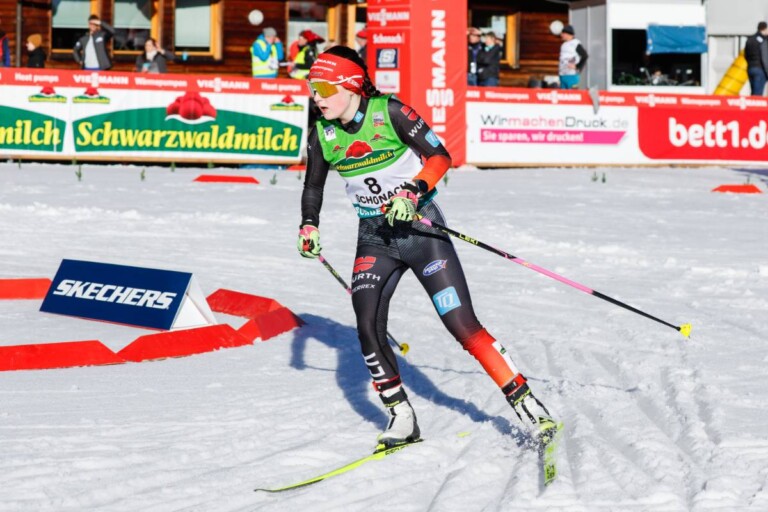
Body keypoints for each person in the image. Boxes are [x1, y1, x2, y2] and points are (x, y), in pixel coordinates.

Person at [297, 45, 558, 449]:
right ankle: (401, 415)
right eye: (312, 88)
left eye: (324, 88)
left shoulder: (391, 112)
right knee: (367, 325)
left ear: (349, 86)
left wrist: (412, 189)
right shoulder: (323, 134)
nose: (316, 96)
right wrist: (309, 225)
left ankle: (529, 406)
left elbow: (440, 156)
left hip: (421, 229)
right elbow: (313, 185)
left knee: (461, 324)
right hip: (375, 237)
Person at [558, 25, 588, 89]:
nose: (561, 35)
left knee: (572, 96)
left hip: (571, 75)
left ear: (568, 34)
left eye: (563, 33)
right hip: (562, 75)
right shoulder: (564, 45)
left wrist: (577, 66)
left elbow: (585, 55)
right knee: (563, 96)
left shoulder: (575, 43)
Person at [744, 21, 768, 96]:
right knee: (757, 94)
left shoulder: (750, 39)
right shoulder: (764, 40)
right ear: (764, 29)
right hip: (760, 69)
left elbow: (746, 55)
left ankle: (751, 107)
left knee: (753, 92)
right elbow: (764, 56)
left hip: (750, 68)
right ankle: (756, 108)